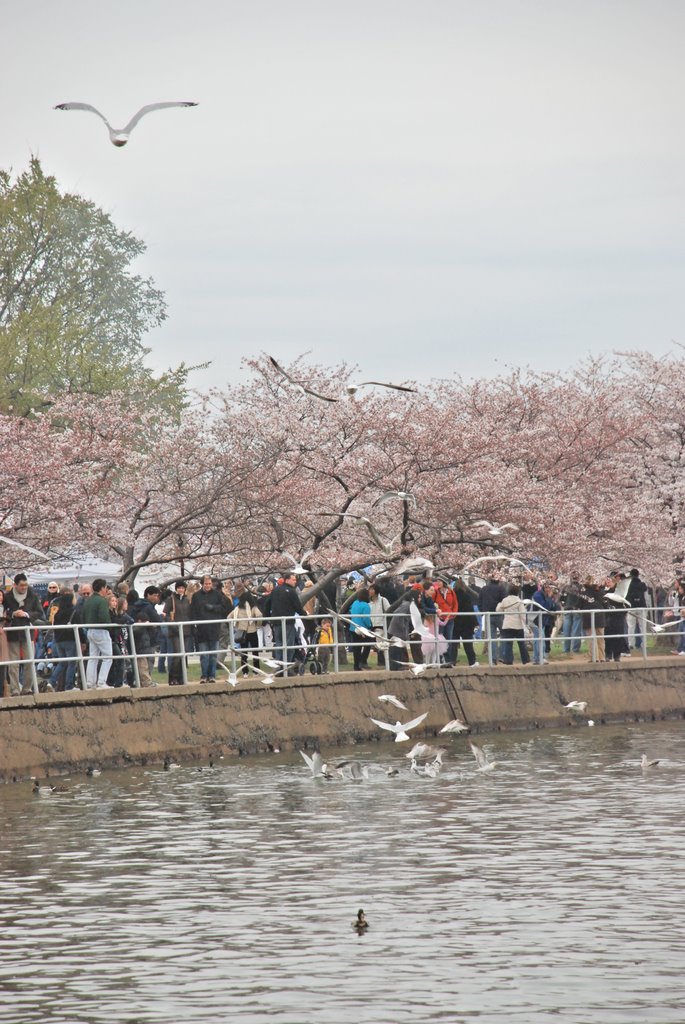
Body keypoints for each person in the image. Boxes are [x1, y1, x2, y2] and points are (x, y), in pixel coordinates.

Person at [4, 573, 47, 695]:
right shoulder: (7, 597)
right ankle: (15, 689)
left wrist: (27, 614)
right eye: (21, 585)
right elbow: (4, 612)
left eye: (26, 585)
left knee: (29, 661)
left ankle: (27, 688)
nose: (24, 588)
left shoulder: (32, 596)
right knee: (14, 663)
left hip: (28, 632)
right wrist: (13, 614)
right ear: (15, 585)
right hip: (13, 632)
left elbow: (39, 612)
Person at [190, 574, 231, 682]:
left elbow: (224, 608)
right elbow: (193, 611)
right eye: (206, 584)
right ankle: (204, 675)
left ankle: (212, 675)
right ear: (202, 584)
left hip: (214, 629)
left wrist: (213, 607)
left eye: (209, 584)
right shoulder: (196, 596)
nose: (208, 585)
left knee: (213, 655)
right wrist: (194, 626)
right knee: (204, 656)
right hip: (201, 630)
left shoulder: (217, 595)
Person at [268, 572, 304, 674]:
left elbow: (268, 603)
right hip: (288, 622)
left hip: (276, 622)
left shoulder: (275, 590)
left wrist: (267, 616)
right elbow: (298, 606)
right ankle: (286, 667)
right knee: (289, 645)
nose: (295, 582)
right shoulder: (292, 592)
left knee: (279, 644)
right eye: (293, 580)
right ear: (287, 580)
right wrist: (305, 615)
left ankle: (279, 667)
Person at [82, 578, 113, 688]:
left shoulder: (88, 600)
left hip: (90, 630)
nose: (106, 590)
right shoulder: (101, 600)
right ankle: (101, 682)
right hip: (101, 630)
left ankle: (90, 682)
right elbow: (104, 617)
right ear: (102, 588)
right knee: (108, 657)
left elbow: (84, 616)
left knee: (93, 657)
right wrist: (110, 625)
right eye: (105, 587)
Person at [163, 580, 193, 684]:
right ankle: (173, 678)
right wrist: (173, 624)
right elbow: (165, 614)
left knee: (183, 655)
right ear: (176, 589)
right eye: (179, 587)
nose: (181, 589)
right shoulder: (171, 600)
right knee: (177, 655)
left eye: (182, 588)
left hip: (186, 630)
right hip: (175, 631)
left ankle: (181, 677)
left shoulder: (187, 599)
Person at [50, 588, 79, 691]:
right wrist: (83, 641)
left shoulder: (58, 613)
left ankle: (51, 682)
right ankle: (69, 686)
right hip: (70, 640)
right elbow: (78, 627)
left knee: (62, 663)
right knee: (71, 663)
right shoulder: (74, 611)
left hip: (58, 640)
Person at [227, 590, 262, 674]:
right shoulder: (253, 607)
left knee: (244, 653)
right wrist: (258, 625)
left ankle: (245, 671)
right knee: (255, 652)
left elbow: (229, 617)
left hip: (242, 632)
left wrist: (236, 625)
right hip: (252, 631)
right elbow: (259, 615)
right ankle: (256, 670)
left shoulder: (237, 608)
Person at [496, 584, 530, 665]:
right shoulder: (519, 601)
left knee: (508, 644)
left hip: (507, 624)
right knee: (521, 644)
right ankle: (525, 659)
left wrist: (499, 604)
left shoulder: (505, 600)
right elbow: (522, 614)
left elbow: (498, 610)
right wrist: (526, 624)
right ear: (518, 592)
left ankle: (508, 660)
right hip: (517, 625)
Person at [451, 578, 480, 667]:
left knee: (453, 644)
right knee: (468, 644)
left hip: (455, 622)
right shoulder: (467, 596)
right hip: (466, 623)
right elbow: (470, 610)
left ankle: (452, 661)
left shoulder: (452, 595)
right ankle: (472, 661)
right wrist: (475, 622)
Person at [349, 588, 373, 671]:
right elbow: (366, 619)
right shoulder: (366, 605)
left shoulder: (355, 603)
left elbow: (351, 612)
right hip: (362, 629)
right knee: (369, 642)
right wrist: (369, 626)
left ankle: (356, 665)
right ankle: (363, 660)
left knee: (357, 647)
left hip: (353, 628)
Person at [626, 568, 648, 651]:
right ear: (638, 575)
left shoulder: (628, 584)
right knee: (643, 627)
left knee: (631, 626)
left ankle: (631, 644)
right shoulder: (642, 584)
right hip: (642, 606)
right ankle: (644, 644)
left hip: (631, 607)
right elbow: (645, 590)